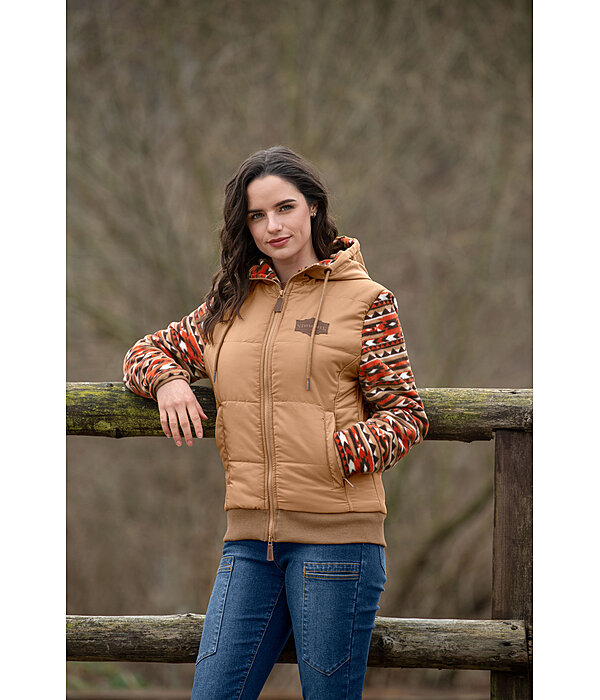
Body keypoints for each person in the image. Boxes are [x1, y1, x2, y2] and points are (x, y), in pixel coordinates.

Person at [123, 146, 429, 699]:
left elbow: (405, 414)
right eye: (257, 216)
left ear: (313, 206)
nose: (273, 226)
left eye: (284, 208)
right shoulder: (229, 303)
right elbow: (145, 351)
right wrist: (168, 380)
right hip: (248, 544)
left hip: (337, 543)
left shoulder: (366, 301)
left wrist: (334, 454)